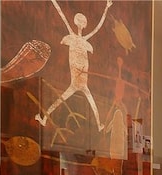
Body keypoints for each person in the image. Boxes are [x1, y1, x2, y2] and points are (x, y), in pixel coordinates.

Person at [35, 0, 112, 132]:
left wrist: (106, 8)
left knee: (91, 103)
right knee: (61, 100)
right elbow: (62, 16)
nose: (81, 25)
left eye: (83, 23)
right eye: (80, 22)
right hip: (75, 81)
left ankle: (99, 125)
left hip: (83, 82)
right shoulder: (72, 36)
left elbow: (98, 27)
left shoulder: (84, 40)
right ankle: (44, 119)